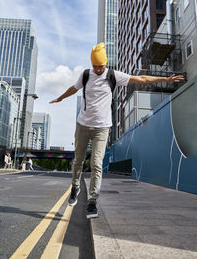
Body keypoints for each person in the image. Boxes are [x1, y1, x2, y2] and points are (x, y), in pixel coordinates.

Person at [49, 42, 184, 219]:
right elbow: (74, 88)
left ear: (105, 64)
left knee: (96, 164)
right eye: (95, 66)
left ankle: (92, 202)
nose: (98, 69)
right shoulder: (86, 75)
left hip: (102, 128)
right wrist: (60, 98)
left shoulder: (113, 75)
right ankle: (75, 187)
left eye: (101, 66)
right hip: (82, 125)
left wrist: (165, 80)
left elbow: (141, 79)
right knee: (78, 161)